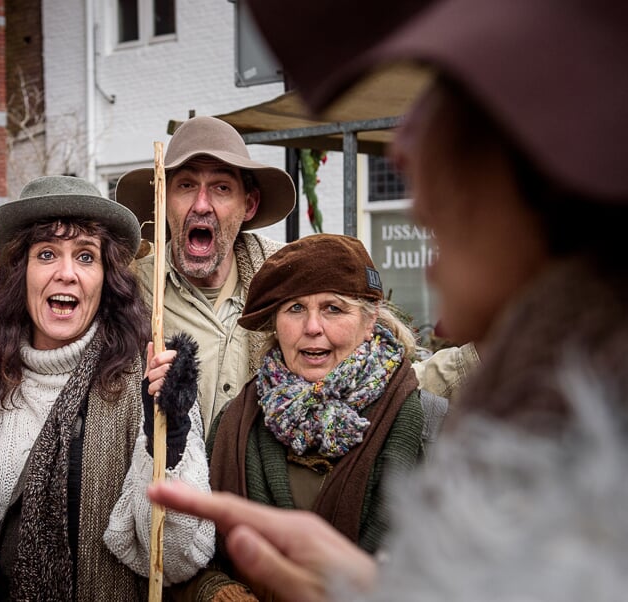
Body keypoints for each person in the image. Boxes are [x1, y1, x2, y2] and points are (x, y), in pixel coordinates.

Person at [151, 0, 628, 599]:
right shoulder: (136, 305)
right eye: (294, 309)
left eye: (452, 101)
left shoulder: (532, 433)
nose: (403, 149)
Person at [0, 175, 214, 599]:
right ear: (21, 274)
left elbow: (176, 559)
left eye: (87, 257)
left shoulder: (143, 385)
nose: (67, 274)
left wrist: (166, 440)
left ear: (108, 278)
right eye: (47, 254)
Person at [178, 234, 444, 600]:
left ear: (369, 322)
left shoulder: (432, 425)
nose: (312, 327)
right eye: (295, 309)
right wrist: (214, 589)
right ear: (276, 323)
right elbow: (188, 553)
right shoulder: (234, 424)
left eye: (333, 308)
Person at [116, 116, 297, 434]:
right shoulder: (127, 292)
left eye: (222, 188)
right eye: (186, 186)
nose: (201, 205)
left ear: (249, 204)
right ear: (162, 200)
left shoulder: (286, 285)